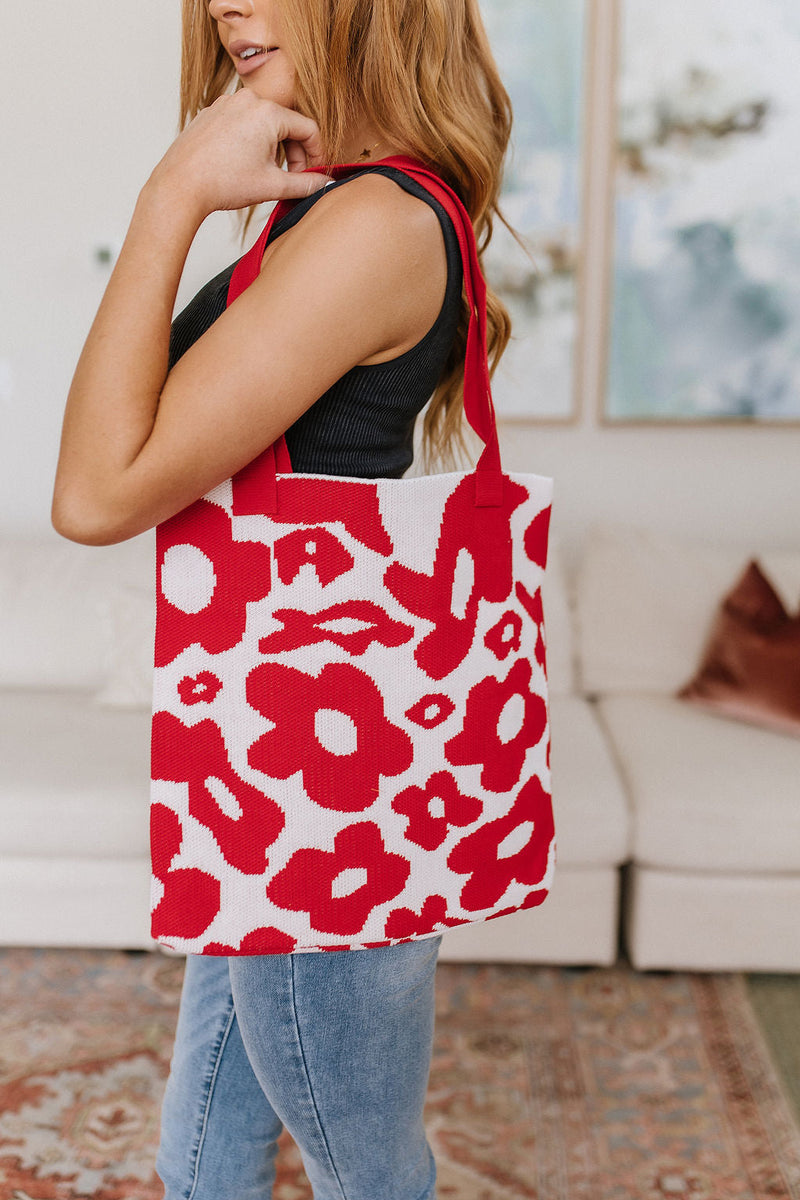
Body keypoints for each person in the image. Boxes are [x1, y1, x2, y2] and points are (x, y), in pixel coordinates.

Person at [52, 1, 513, 1195]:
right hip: (271, 771)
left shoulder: (374, 223)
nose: (222, 5)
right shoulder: (331, 205)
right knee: (209, 1122)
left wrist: (168, 197)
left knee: (364, 1163)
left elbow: (97, 493)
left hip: (323, 790)